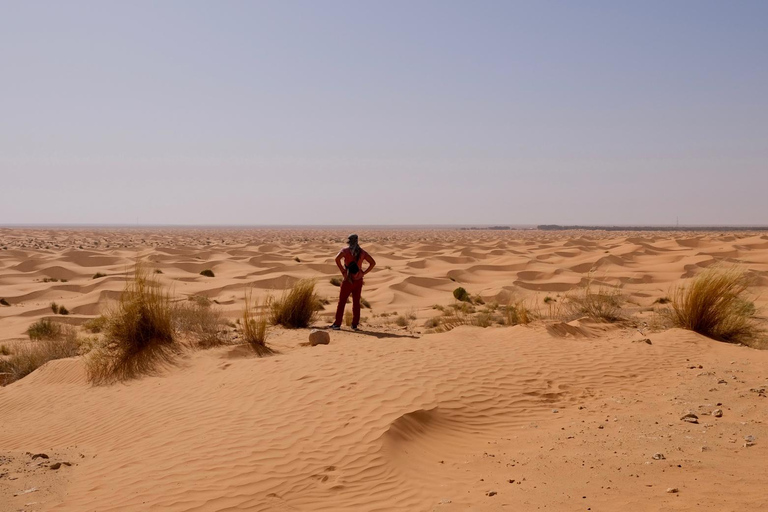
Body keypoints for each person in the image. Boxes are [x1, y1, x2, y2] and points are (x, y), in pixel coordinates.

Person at [331, 234, 376, 330]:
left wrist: (343, 271)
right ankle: (354, 324)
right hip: (358, 280)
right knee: (356, 302)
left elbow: (337, 259)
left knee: (342, 301)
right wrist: (363, 273)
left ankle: (337, 324)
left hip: (348, 279)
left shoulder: (345, 251)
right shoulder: (362, 252)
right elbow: (373, 263)